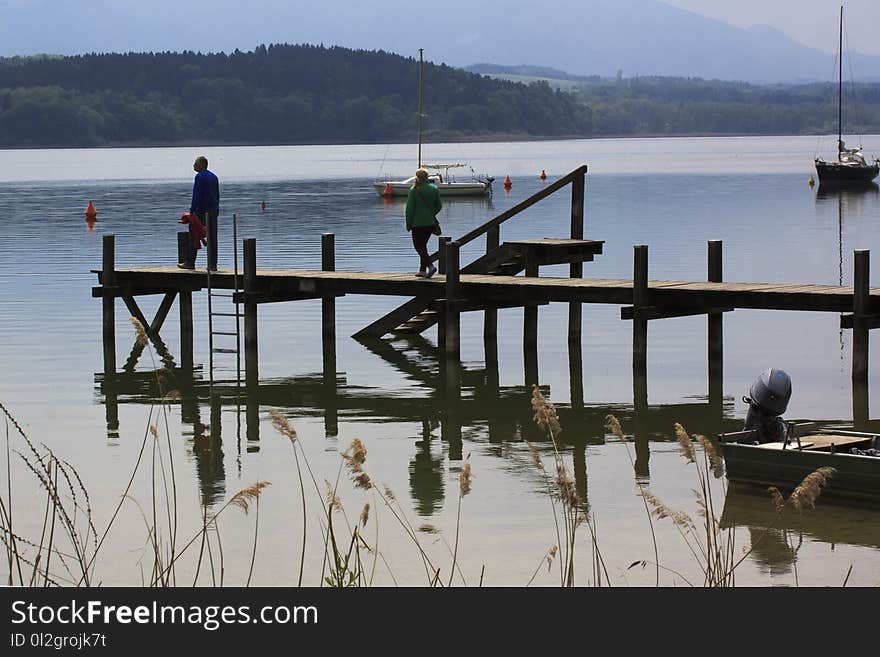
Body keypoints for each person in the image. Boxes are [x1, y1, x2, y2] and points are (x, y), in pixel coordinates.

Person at [405, 168, 441, 278]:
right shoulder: (434, 189)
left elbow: (409, 210)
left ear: (417, 177)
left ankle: (430, 266)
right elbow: (439, 206)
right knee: (423, 246)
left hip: (417, 223)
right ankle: (422, 270)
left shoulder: (413, 190)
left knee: (418, 246)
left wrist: (408, 223)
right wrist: (430, 214)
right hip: (430, 223)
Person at [190, 155, 220, 270]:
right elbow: (217, 195)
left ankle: (190, 262)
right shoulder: (214, 177)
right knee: (213, 238)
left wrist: (193, 210)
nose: (193, 165)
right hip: (214, 210)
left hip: (202, 211)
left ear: (201, 165)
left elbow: (196, 195)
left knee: (194, 235)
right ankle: (213, 265)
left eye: (195, 163)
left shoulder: (200, 176)